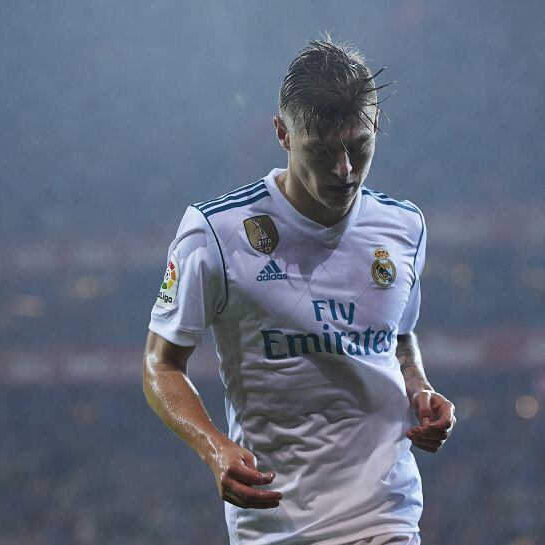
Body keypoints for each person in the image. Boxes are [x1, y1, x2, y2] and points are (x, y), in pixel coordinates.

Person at [142, 36, 456, 545]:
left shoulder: (404, 227)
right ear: (282, 134)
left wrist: (418, 386)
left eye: (359, 148)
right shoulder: (215, 233)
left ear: (376, 129)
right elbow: (160, 364)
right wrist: (213, 447)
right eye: (322, 150)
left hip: (385, 516)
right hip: (276, 522)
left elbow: (398, 334)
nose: (344, 170)